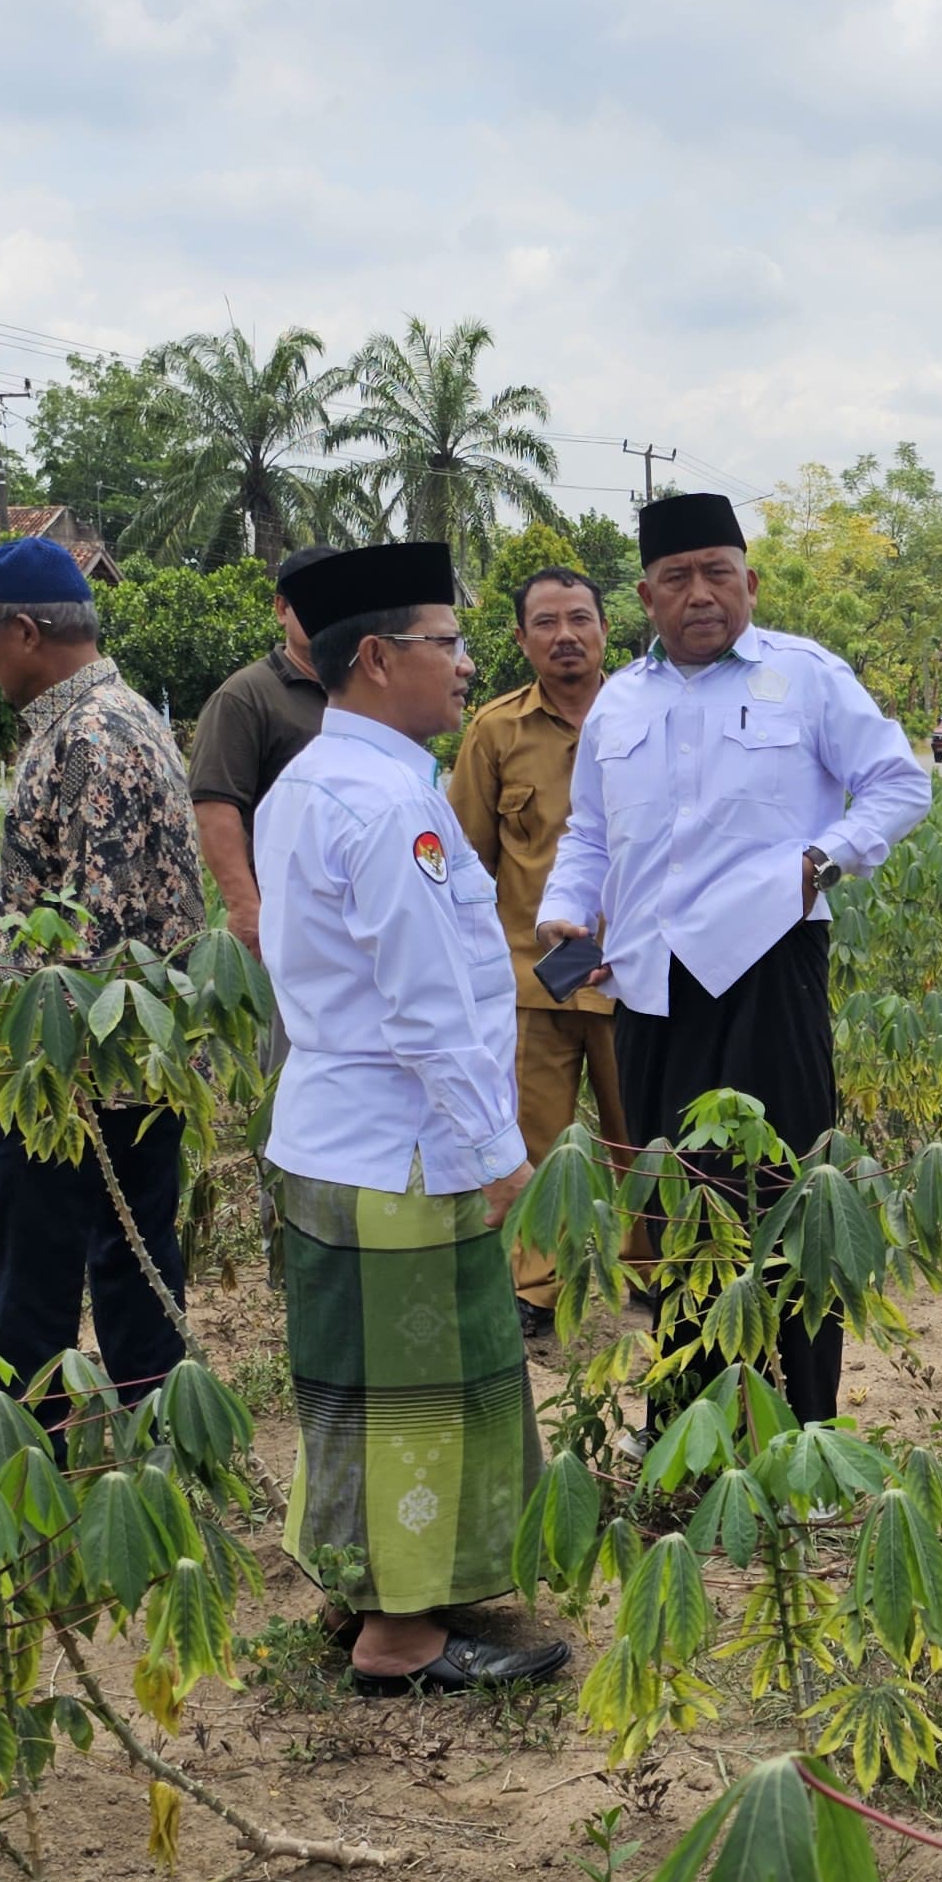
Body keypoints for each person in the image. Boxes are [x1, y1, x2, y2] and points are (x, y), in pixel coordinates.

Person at [534, 491, 931, 1422]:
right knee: (675, 1202)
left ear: (750, 583)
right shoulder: (619, 703)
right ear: (646, 595)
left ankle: (809, 1427)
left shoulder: (807, 676)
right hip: (649, 987)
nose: (700, 594)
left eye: (718, 573)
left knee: (787, 1198)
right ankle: (692, 1422)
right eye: (677, 578)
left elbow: (897, 783)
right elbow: (590, 831)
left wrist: (823, 861)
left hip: (770, 971)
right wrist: (563, 912)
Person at [251, 539, 568, 1700]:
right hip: (403, 1144)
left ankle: (367, 1585)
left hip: (334, 1133)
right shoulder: (391, 808)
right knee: (417, 1395)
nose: (466, 660)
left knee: (351, 1380)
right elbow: (433, 1006)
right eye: (447, 640)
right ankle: (402, 1636)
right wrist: (496, 1153)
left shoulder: (313, 782)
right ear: (379, 658)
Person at [0, 535, 201, 1402]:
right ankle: (151, 1441)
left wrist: (42, 1063)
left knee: (36, 1274)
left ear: (26, 630)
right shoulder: (118, 717)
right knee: (131, 1258)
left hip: (76, 1065)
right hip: (129, 1056)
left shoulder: (91, 735)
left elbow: (93, 926)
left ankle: (30, 1457)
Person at [447, 561, 628, 1335]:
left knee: (642, 1132)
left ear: (605, 628)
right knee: (535, 1141)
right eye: (546, 624)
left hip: (636, 976)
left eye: (579, 619)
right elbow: (466, 860)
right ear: (520, 639)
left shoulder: (645, 713)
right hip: (532, 981)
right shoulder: (495, 730)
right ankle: (537, 1287)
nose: (565, 637)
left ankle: (655, 1267)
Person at [188, 546, 334, 978]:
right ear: (281, 609)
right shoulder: (246, 697)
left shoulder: (366, 691)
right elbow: (215, 808)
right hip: (286, 921)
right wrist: (246, 907)